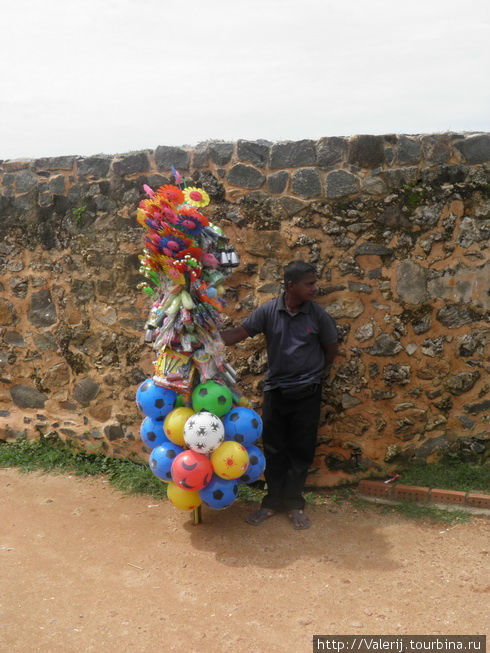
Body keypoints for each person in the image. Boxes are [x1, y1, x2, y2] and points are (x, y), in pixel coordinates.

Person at [220, 260, 338, 529]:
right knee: (274, 448)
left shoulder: (318, 316)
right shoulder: (269, 311)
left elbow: (331, 350)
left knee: (301, 449)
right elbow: (240, 333)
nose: (314, 288)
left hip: (308, 393)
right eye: (309, 283)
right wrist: (207, 338)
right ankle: (272, 502)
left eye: (314, 282)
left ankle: (295, 503)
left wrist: (313, 375)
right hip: (276, 392)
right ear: (290, 285)